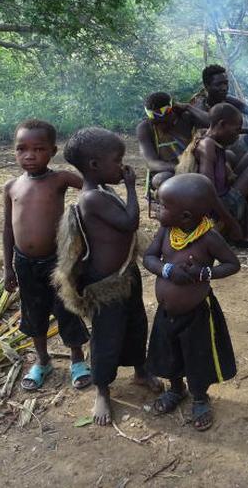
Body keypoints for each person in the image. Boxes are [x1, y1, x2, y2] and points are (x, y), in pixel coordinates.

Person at [53, 127, 162, 425]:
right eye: (118, 160)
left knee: (136, 324)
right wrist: (130, 187)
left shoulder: (103, 190)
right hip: (105, 285)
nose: (123, 166)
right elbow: (129, 223)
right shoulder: (91, 198)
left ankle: (140, 371)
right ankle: (103, 390)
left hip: (126, 276)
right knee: (106, 337)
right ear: (94, 166)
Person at [143, 173, 240, 432]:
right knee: (169, 354)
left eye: (163, 205)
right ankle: (176, 390)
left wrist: (205, 273)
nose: (157, 207)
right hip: (167, 312)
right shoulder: (166, 230)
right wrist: (167, 270)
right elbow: (149, 258)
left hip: (197, 313)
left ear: (185, 215)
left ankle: (200, 398)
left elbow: (233, 264)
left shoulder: (209, 238)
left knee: (198, 358)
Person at [2, 119, 91, 391]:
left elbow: (92, 186)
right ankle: (42, 361)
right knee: (33, 313)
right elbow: (7, 228)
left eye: (38, 149)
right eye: (22, 149)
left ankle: (77, 360)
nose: (29, 155)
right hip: (24, 264)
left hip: (57, 262)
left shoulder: (60, 179)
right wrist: (8, 268)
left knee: (66, 310)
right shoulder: (11, 187)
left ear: (53, 151)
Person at [176, 102, 248, 249]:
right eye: (237, 130)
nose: (238, 135)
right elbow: (208, 193)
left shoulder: (210, 137)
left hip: (221, 200)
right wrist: (233, 224)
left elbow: (222, 181)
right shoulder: (207, 146)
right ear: (222, 125)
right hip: (214, 214)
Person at [190, 64, 248, 158]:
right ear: (207, 86)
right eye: (218, 84)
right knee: (230, 155)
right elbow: (215, 128)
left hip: (235, 145)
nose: (224, 87)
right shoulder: (200, 109)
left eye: (225, 83)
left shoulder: (229, 100)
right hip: (215, 152)